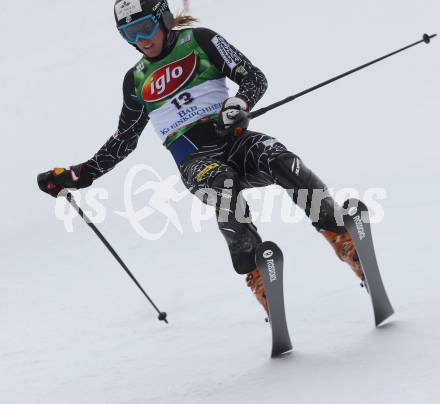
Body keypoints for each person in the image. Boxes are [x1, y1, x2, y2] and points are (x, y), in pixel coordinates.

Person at [37, 0, 364, 316]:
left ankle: (342, 237)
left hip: (234, 142)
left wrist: (239, 104)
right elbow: (124, 140)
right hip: (196, 160)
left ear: (164, 19)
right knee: (222, 186)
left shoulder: (200, 40)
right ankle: (256, 274)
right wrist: (81, 174)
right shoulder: (136, 79)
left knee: (279, 158)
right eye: (129, 35)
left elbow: (253, 77)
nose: (141, 41)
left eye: (145, 29)